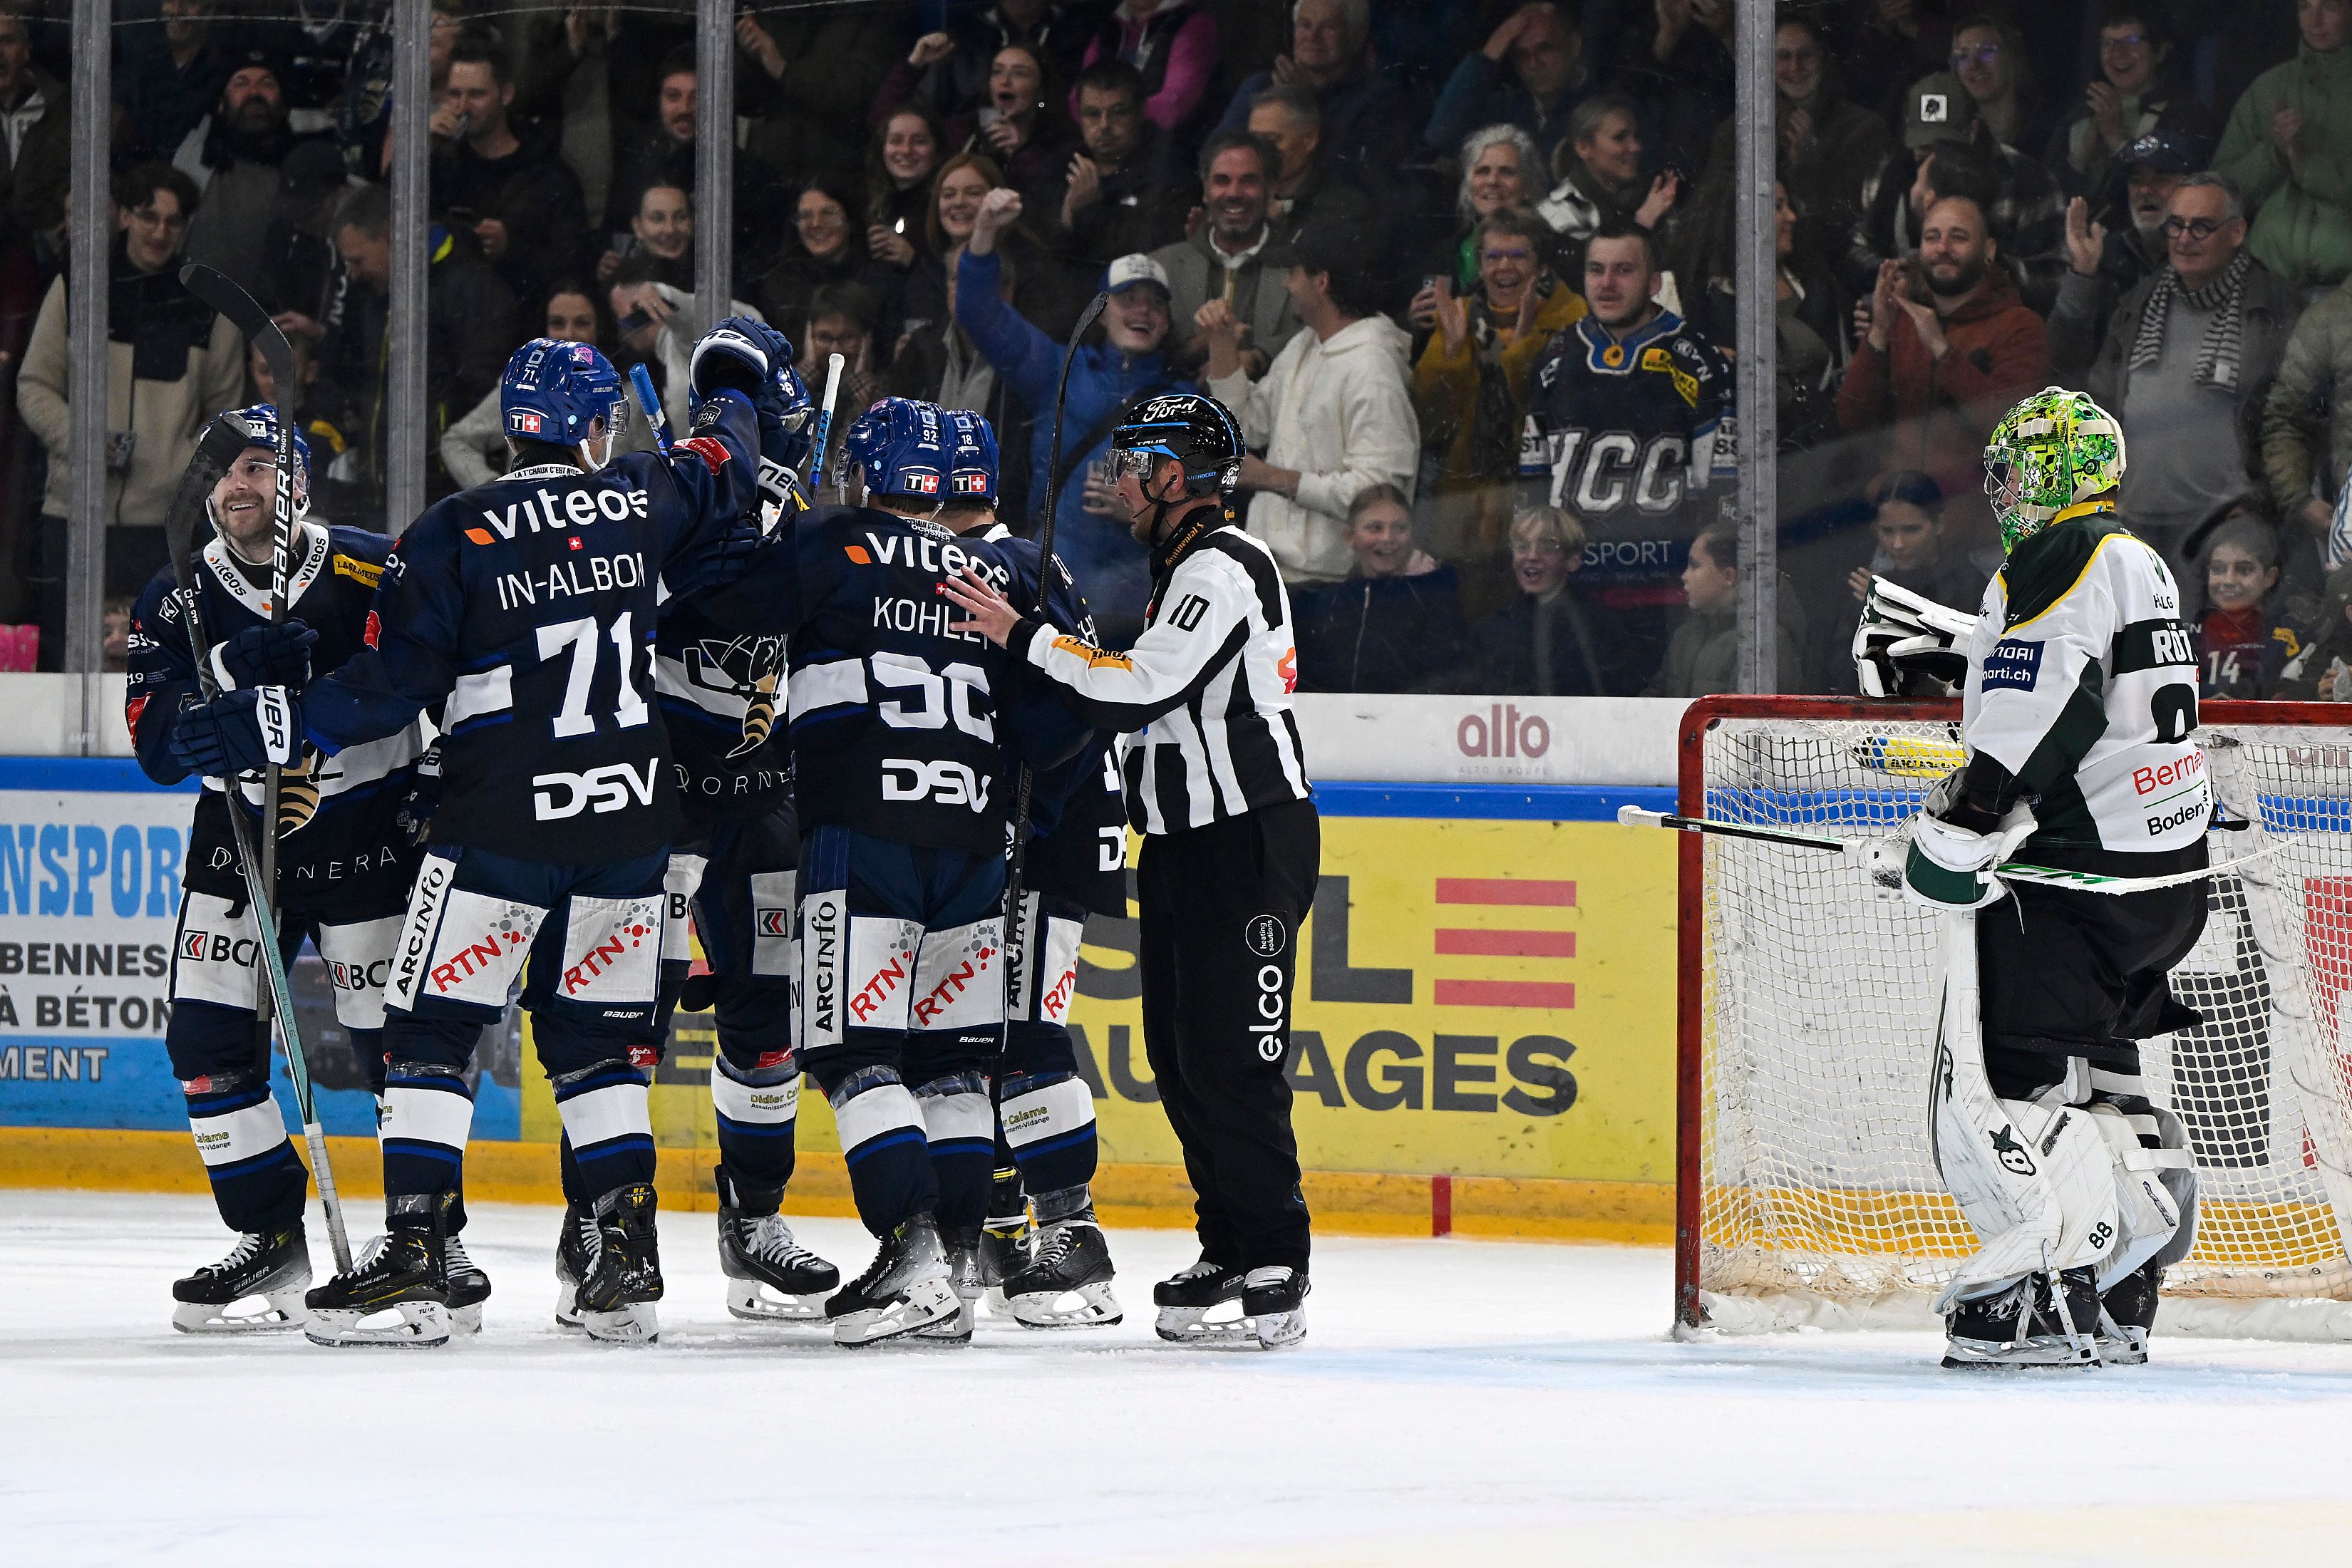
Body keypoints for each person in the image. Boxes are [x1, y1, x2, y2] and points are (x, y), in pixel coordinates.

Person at [172, 323, 788, 1347]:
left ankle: (416, 1256)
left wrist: (266, 716)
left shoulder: (453, 529)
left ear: (512, 428)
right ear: (596, 428)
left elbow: (388, 690)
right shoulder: (642, 491)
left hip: (503, 813)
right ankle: (623, 1260)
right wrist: (729, 377)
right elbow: (726, 453)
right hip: (633, 815)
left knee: (428, 1032)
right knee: (599, 1044)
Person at [687, 397, 1089, 1346]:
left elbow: (720, 602)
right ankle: (948, 1265)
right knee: (952, 1068)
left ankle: (907, 1254)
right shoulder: (1001, 566)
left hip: (860, 839)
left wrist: (757, 511)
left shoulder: (838, 545)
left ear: (866, 476)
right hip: (976, 845)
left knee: (851, 1055)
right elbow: (1068, 716)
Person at [940, 390, 1319, 1352]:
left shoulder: (1224, 565)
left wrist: (1022, 636)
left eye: (1138, 460)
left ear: (1177, 477)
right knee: (1183, 1060)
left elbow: (1140, 685)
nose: (1120, 477)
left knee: (1238, 1057)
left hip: (1249, 838)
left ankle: (1278, 1250)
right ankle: (1230, 1243)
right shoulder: (1184, 566)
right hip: (1188, 842)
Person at [1899, 386, 2204, 1368]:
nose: (2006, 490)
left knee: (2003, 1081)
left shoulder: (2060, 554)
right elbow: (2104, 692)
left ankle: (2051, 1291)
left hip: (2072, 883)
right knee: (2106, 1074)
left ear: (2064, 473)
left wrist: (1967, 818)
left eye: (2022, 467)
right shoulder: (2137, 557)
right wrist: (1964, 648)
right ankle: (2129, 1286)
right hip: (2164, 883)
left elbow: (2053, 699)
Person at [126, 406, 434, 1334]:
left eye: (261, 468)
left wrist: (433, 786)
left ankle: (425, 1241)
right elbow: (153, 747)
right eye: (224, 471)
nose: (240, 487)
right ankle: (273, 1238)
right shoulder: (175, 596)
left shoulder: (369, 567)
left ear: (297, 481)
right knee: (207, 1046)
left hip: (365, 829)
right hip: (238, 833)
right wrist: (218, 686)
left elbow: (437, 676)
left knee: (397, 1047)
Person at [932, 408, 1127, 1329]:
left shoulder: (990, 571)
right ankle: (1018, 1225)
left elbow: (1054, 724)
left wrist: (1017, 826)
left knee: (1024, 1031)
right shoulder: (1024, 560)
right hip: (1063, 827)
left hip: (1049, 837)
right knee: (1001, 1030)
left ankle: (1073, 1239)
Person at [17, 162, 247, 668]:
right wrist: (80, 440)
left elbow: (226, 417)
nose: (160, 232)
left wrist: (178, 471)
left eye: (173, 221)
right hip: (74, 511)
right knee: (65, 657)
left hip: (167, 523)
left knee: (165, 661)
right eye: (148, 217)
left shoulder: (209, 305)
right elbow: (35, 385)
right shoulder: (79, 285)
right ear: (124, 216)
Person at [959, 186, 1182, 641]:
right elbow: (978, 313)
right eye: (1128, 298)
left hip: (1140, 606)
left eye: (1155, 302)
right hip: (1056, 591)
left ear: (1168, 320)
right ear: (1101, 314)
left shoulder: (1187, 400)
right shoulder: (1058, 371)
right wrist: (983, 233)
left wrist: (1149, 514)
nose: (1143, 310)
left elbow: (1211, 506)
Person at [1522, 222, 1735, 671]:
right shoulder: (1555, 357)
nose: (1607, 283)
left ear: (1654, 282)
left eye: (1624, 270)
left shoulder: (1696, 359)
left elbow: (1719, 487)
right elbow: (1533, 486)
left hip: (1663, 597)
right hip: (1574, 594)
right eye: (1596, 269)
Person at [2081, 175, 2301, 569]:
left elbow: (2297, 419)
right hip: (2134, 520)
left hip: (2227, 527)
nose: (2184, 238)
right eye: (2176, 225)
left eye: (2201, 226)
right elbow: (2096, 406)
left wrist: (2261, 505)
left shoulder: (2276, 309)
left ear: (2237, 232)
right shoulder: (2138, 303)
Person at [1204, 218, 1418, 589]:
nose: (1287, 283)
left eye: (1294, 272)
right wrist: (1222, 346)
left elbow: (1381, 494)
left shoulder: (1373, 367)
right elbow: (1244, 429)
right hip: (1272, 574)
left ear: (1322, 281)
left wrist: (1273, 478)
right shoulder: (1305, 345)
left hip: (1332, 584)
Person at [1836, 194, 2049, 542]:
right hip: (1900, 534)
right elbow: (1850, 419)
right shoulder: (1901, 322)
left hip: (1982, 536)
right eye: (1931, 238)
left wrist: (1942, 351)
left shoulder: (2021, 327)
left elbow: (2014, 430)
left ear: (1989, 250)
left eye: (1959, 237)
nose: (1942, 248)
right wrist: (1877, 333)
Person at [1410, 205, 1587, 590]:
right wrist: (1452, 354)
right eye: (1493, 256)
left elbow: (1562, 414)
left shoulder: (1575, 319)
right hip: (1464, 509)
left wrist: (1523, 353)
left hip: (1540, 502)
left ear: (1541, 267)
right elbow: (1428, 419)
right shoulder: (1457, 316)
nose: (1504, 266)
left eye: (1518, 255)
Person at [324, 181, 517, 519]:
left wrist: (447, 470)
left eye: (357, 260)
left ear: (387, 238)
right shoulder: (373, 295)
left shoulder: (470, 288)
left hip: (448, 498)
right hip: (381, 492)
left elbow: (483, 396)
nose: (353, 274)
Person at [431, 35, 593, 312]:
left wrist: (511, 250)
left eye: (477, 95)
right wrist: (425, 149)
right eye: (455, 94)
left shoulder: (548, 175)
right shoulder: (443, 163)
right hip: (449, 320)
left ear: (506, 95)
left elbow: (573, 266)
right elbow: (388, 226)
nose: (463, 107)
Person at [1698, 15, 1891, 247]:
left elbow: (1853, 224)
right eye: (1783, 56)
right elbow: (1713, 208)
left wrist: (1808, 165)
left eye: (1806, 55)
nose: (1795, 67)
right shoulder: (1737, 130)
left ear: (1823, 59)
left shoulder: (1862, 128)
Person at [440, 284, 656, 490]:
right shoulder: (523, 388)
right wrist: (492, 490)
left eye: (582, 323)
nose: (569, 334)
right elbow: (457, 441)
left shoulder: (628, 397)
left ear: (601, 328)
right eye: (557, 323)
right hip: (526, 524)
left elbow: (650, 477)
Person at [887, 242, 1033, 522]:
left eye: (977, 280)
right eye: (956, 278)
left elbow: (1023, 464)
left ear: (1008, 291)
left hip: (993, 524)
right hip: (916, 518)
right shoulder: (919, 349)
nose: (964, 289)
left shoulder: (1026, 361)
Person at [2050, 130, 2213, 379]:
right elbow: (2062, 363)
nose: (2146, 191)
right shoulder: (2104, 254)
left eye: (2161, 179)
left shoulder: (2215, 260)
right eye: (2137, 180)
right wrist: (2082, 274)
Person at [2216, 0, 2352, 292]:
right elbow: (2221, 194)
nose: (2314, 21)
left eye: (2329, 7)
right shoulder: (2269, 87)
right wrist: (2274, 155)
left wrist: (2306, 165)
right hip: (2266, 282)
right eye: (2305, 7)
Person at [1151, 129, 1299, 380]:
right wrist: (1205, 342)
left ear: (1271, 189)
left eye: (1249, 181)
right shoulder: (1161, 266)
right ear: (1205, 190)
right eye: (1222, 180)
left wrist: (1259, 356)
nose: (1233, 193)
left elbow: (1316, 335)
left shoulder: (1301, 268)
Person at [1212, 0, 1412, 184]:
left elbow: (1356, 175)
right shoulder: (1260, 85)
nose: (1313, 36)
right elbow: (1216, 153)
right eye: (1305, 25)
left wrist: (1304, 100)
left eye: (1328, 27)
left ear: (1356, 36)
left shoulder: (1381, 99)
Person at [1292, 483, 1466, 693]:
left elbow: (1442, 681)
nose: (1387, 538)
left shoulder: (1435, 601)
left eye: (1399, 528)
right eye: (1375, 528)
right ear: (1350, 537)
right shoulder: (1328, 603)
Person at [174, 46, 314, 301]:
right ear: (221, 104)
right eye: (241, 83)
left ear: (283, 105)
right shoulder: (195, 159)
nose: (254, 93)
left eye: (266, 84)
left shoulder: (304, 174)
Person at [2044, 4, 2216, 203]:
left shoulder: (2186, 115)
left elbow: (2171, 201)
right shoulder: (2079, 116)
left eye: (2132, 41)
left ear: (2160, 51)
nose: (2118, 52)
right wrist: (2079, 161)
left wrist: (2116, 140)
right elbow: (2047, 201)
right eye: (2108, 43)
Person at [1828, 470, 1987, 685]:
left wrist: (1887, 602)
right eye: (1887, 531)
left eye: (1911, 530)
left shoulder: (1969, 583)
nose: (1898, 544)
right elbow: (1839, 667)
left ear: (1939, 524)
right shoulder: (1864, 583)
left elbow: (1963, 659)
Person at [1454, 503, 1624, 696]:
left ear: (1572, 561)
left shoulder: (1598, 628)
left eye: (1547, 548)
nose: (1532, 556)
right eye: (1522, 547)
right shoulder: (1489, 631)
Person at [1050, 60, 1192, 274]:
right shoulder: (1062, 166)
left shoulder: (1170, 172)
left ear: (1140, 112)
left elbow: (1143, 256)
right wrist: (1068, 216)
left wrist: (1087, 210)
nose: (1105, 125)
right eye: (1093, 114)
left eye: (1118, 112)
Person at [1423, 3, 1594, 174]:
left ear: (1574, 46)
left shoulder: (1601, 108)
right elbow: (1440, 137)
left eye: (1545, 49)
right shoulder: (1506, 109)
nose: (1534, 63)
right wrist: (1494, 47)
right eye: (1522, 55)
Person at [1642, 525, 1808, 696]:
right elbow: (1654, 699)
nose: (1685, 576)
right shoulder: (1685, 637)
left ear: (1728, 576)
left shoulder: (1764, 645)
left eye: (1694, 566)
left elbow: (1748, 720)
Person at [1534, 96, 1678, 269]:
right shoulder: (1556, 213)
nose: (1635, 147)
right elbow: (1597, 280)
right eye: (1620, 138)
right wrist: (1642, 224)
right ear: (1583, 148)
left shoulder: (1650, 199)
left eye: (1636, 137)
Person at [758, 172, 890, 339]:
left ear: (850, 219)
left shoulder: (881, 280)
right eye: (806, 216)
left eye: (828, 213)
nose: (816, 224)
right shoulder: (778, 286)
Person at [1247, 83, 1378, 248]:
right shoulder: (1240, 194)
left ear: (1309, 140)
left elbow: (1308, 265)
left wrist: (1277, 227)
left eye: (1272, 140)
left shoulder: (1343, 207)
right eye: (1254, 140)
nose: (1260, 150)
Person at [1076, 0, 1222, 146]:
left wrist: (1110, 120)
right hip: (1104, 146)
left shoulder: (1195, 25)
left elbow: (1174, 105)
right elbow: (1078, 98)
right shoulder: (1110, 24)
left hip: (1167, 150)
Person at [1422, 123, 1544, 296]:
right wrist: (1413, 318)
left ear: (1528, 187)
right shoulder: (1444, 253)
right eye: (1483, 171)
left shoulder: (1552, 248)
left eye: (1507, 172)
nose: (1493, 181)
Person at [2195, 511, 2300, 697]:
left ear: (2270, 577)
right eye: (2218, 569)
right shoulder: (2190, 633)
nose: (2228, 580)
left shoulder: (2288, 638)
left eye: (2244, 570)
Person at [865, 105, 947, 272]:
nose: (906, 150)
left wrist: (912, 259)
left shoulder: (946, 205)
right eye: (896, 140)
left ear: (936, 149)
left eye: (919, 142)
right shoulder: (872, 201)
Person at [597, 182, 694, 290]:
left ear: (693, 222)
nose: (670, 229)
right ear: (637, 227)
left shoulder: (712, 273)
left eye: (681, 217)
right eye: (658, 219)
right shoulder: (620, 284)